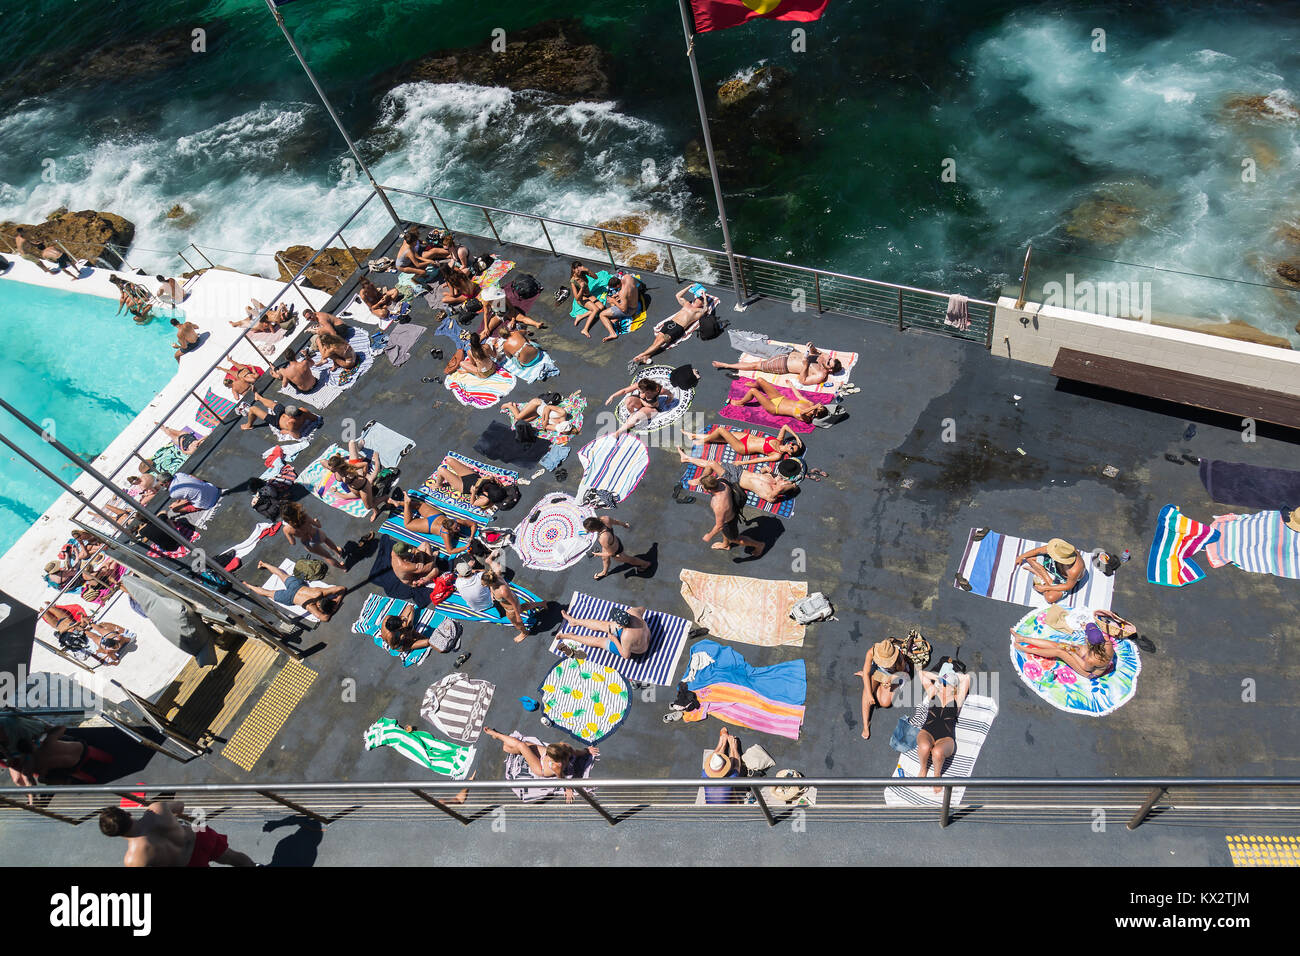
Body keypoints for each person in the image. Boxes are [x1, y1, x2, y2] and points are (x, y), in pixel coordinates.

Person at [98, 802, 255, 867]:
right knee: (231, 856)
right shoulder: (156, 809)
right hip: (199, 839)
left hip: (188, 863)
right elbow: (180, 806)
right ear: (128, 813)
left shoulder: (133, 859)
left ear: (115, 835)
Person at [1, 715, 113, 797]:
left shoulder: (38, 765)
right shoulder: (48, 742)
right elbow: (61, 728)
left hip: (73, 766)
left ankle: (80, 782)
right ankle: (107, 760)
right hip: (81, 748)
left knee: (44, 778)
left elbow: (37, 776)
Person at [481, 728, 598, 804]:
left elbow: (573, 757)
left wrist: (586, 751)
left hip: (540, 768)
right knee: (521, 745)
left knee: (520, 746)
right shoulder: (559, 755)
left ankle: (504, 742)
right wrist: (568, 789)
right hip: (542, 763)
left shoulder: (559, 759)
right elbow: (563, 774)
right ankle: (497, 735)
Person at [915, 666, 973, 793]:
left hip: (946, 737)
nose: (944, 686)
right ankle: (923, 768)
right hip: (927, 731)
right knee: (925, 747)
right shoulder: (933, 692)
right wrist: (939, 677)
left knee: (937, 752)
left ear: (955, 687)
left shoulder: (958, 699)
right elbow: (921, 673)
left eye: (947, 684)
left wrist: (954, 677)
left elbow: (967, 678)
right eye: (943, 683)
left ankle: (937, 775)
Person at [631, 285, 715, 365]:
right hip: (670, 323)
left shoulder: (698, 311)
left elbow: (706, 309)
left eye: (701, 300)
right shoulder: (687, 304)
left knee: (660, 342)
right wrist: (689, 287)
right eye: (698, 298)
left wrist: (704, 297)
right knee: (657, 340)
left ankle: (641, 355)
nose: (698, 299)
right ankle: (647, 356)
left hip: (677, 329)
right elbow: (678, 295)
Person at [244, 560, 345, 622]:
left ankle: (264, 564)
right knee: (268, 593)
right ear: (319, 606)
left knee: (281, 574)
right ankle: (247, 585)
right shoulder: (311, 607)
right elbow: (324, 618)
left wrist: (337, 600)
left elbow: (342, 588)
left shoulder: (320, 592)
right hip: (290, 597)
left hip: (297, 586)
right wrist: (335, 606)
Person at [679, 450, 798, 502]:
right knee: (714, 463)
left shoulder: (769, 494)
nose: (784, 480)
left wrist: (791, 486)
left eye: (785, 482)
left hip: (734, 480)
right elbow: (763, 473)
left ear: (782, 489)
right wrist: (765, 470)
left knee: (712, 464)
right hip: (740, 471)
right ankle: (687, 458)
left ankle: (701, 480)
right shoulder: (773, 478)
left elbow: (778, 491)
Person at [1014, 621, 1119, 678]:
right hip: (1091, 654)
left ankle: (1027, 649)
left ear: (1088, 641)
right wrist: (1085, 627)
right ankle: (1023, 638)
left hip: (1089, 671)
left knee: (1059, 652)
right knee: (1060, 645)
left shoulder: (1091, 660)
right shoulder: (1106, 641)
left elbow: (1086, 668)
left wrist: (1072, 653)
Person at [855, 639, 913, 739]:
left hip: (893, 676)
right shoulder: (871, 651)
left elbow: (905, 676)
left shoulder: (899, 657)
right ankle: (865, 725)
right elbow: (867, 670)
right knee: (867, 691)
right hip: (877, 671)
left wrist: (890, 681)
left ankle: (875, 682)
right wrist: (869, 693)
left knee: (885, 703)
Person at [713, 342, 843, 387]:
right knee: (759, 347)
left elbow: (803, 381)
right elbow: (817, 353)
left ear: (830, 370)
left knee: (755, 365)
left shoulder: (820, 375)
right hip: (788, 352)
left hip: (782, 364)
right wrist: (812, 347)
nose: (826, 358)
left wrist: (804, 366)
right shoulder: (825, 358)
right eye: (829, 358)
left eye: (827, 362)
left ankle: (725, 365)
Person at [387, 491, 474, 557]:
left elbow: (473, 524)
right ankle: (406, 503)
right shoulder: (445, 534)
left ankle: (399, 503)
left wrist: (471, 536)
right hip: (429, 524)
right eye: (456, 528)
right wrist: (465, 547)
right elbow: (450, 550)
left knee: (419, 505)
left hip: (435, 515)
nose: (459, 528)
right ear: (449, 529)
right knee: (408, 524)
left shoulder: (457, 521)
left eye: (457, 526)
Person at [699, 472, 765, 556]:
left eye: (702, 486)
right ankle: (725, 544)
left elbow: (719, 526)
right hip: (733, 509)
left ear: (709, 490)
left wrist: (709, 535)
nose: (701, 487)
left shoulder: (718, 505)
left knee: (734, 539)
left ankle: (759, 545)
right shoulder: (722, 481)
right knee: (726, 532)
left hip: (729, 521)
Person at [555, 604, 650, 659]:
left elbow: (626, 655)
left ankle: (570, 636)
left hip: (638, 650)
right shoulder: (633, 612)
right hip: (641, 635)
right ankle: (574, 621)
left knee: (599, 641)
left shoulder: (626, 636)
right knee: (606, 625)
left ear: (621, 625)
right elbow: (643, 608)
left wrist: (614, 639)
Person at [681, 423, 804, 465]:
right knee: (720, 438)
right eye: (793, 444)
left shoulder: (777, 455)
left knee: (720, 431)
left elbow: (758, 461)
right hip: (745, 437)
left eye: (792, 449)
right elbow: (785, 426)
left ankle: (702, 441)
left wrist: (742, 462)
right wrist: (796, 436)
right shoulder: (779, 440)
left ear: (789, 453)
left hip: (743, 447)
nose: (791, 445)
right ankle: (693, 435)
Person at [727, 377, 829, 425]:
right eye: (819, 405)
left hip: (774, 407)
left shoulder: (807, 418)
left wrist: (814, 408)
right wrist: (791, 385)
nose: (816, 405)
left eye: (818, 407)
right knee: (760, 380)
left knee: (753, 391)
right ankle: (755, 384)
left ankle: (740, 403)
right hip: (779, 398)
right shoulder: (810, 403)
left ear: (816, 413)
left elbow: (802, 412)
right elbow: (798, 396)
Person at [1014, 538, 1085, 605]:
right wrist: (1021, 557)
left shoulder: (1074, 570)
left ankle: (1040, 575)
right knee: (1029, 558)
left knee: (1050, 598)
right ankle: (1047, 579)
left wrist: (1046, 588)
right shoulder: (1059, 548)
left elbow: (1068, 586)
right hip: (1056, 565)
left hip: (1064, 579)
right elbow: (1037, 550)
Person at [482, 567, 544, 644]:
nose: (483, 585)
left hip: (511, 608)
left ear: (491, 583)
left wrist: (518, 616)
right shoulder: (495, 577)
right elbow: (491, 583)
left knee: (516, 623)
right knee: (523, 607)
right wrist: (492, 593)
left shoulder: (502, 591)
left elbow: (514, 603)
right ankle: (542, 603)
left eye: (485, 584)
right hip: (512, 599)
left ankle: (524, 633)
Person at [279, 501, 346, 569]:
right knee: (327, 540)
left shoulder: (286, 529)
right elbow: (318, 525)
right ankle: (338, 553)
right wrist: (316, 521)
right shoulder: (304, 516)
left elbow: (293, 543)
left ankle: (342, 567)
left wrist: (293, 534)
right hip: (316, 534)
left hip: (308, 543)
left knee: (327, 556)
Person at [326, 441, 382, 521]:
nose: (331, 470)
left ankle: (358, 447)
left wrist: (335, 491)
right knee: (351, 442)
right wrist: (375, 459)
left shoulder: (367, 481)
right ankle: (359, 447)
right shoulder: (365, 478)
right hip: (354, 466)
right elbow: (375, 468)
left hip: (355, 472)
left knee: (368, 504)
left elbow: (345, 496)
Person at [583, 515, 650, 579]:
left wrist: (597, 554)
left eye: (589, 530)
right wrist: (625, 525)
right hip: (613, 541)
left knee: (631, 560)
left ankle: (645, 564)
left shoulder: (603, 538)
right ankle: (604, 572)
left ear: (593, 529)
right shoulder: (605, 519)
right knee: (605, 558)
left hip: (617, 552)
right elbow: (616, 522)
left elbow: (610, 553)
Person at [581, 271, 640, 341]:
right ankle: (616, 317)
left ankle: (613, 334)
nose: (615, 290)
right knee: (614, 302)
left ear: (617, 285)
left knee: (602, 315)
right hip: (635, 300)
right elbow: (630, 289)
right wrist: (618, 295)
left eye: (615, 288)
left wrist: (613, 300)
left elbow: (624, 309)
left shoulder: (622, 293)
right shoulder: (628, 277)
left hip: (630, 310)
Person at [432, 459, 509, 511]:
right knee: (449, 460)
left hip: (464, 486)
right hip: (472, 476)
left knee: (441, 470)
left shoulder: (485, 500)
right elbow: (495, 481)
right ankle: (456, 476)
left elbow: (473, 503)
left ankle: (438, 485)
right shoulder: (496, 488)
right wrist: (492, 478)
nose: (487, 486)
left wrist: (473, 493)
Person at [240, 395, 320, 439]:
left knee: (253, 409)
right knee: (274, 405)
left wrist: (287, 432)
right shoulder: (302, 410)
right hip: (284, 414)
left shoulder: (291, 423)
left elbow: (297, 436)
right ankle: (259, 397)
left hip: (277, 421)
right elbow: (315, 418)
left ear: (290, 416)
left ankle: (248, 425)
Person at [502, 394, 580, 436]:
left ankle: (514, 407)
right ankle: (509, 405)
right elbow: (547, 407)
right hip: (537, 404)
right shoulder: (563, 413)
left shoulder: (559, 427)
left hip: (537, 413)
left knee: (520, 421)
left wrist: (544, 426)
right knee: (518, 417)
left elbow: (546, 426)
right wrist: (545, 420)